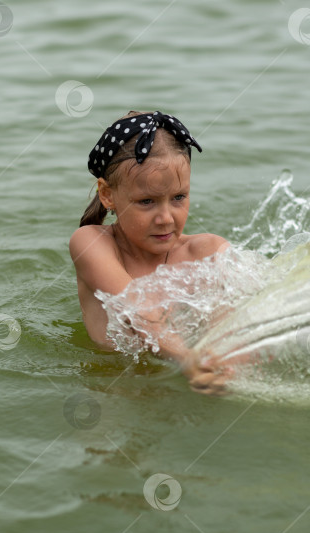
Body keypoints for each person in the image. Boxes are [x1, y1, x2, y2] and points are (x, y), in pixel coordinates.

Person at [69, 110, 231, 394]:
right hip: (115, 387)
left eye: (178, 197)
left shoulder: (208, 251)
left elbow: (230, 327)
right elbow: (136, 306)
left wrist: (224, 365)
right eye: (147, 201)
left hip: (190, 388)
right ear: (107, 195)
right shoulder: (91, 243)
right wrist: (186, 358)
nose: (166, 218)